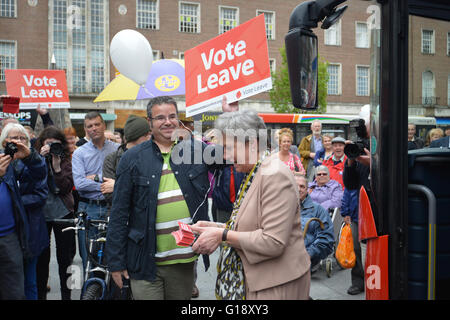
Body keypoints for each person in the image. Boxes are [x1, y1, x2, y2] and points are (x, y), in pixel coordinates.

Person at [105, 96, 224, 300]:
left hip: (184, 261)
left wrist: (229, 115)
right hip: (144, 262)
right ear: (149, 123)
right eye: (160, 117)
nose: (167, 121)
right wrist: (115, 262)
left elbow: (232, 157)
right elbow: (118, 213)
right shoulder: (131, 158)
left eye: (172, 116)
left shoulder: (196, 150)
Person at [191, 110, 311, 300]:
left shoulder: (274, 174)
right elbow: (251, 227)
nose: (225, 156)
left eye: (229, 148)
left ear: (253, 144)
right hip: (262, 280)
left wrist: (222, 235)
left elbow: (273, 241)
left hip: (274, 284)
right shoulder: (256, 171)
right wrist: (214, 227)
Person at [0, 123, 49, 300]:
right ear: (4, 141)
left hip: (25, 230)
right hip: (9, 230)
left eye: (22, 139)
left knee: (24, 284)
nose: (18, 142)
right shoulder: (2, 160)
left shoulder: (31, 161)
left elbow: (40, 183)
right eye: (13, 138)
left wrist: (30, 158)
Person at [71, 111, 119, 272]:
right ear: (85, 129)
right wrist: (108, 183)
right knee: (88, 260)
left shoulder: (117, 150)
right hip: (88, 208)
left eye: (97, 124)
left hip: (112, 206)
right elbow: (79, 184)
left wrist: (95, 178)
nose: (94, 128)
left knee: (113, 256)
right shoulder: (79, 153)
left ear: (104, 125)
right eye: (89, 126)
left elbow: (124, 179)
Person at [33, 126, 76, 300]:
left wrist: (57, 167)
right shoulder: (34, 159)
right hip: (41, 213)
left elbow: (65, 188)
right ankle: (41, 295)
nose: (52, 148)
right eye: (49, 144)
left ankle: (67, 295)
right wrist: (39, 160)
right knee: (42, 259)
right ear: (42, 144)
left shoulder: (66, 160)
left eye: (55, 145)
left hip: (63, 212)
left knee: (66, 258)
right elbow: (32, 183)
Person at [342, 105, 371, 296]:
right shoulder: (356, 147)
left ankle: (373, 279)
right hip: (357, 206)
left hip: (374, 204)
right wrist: (351, 161)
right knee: (356, 246)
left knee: (372, 246)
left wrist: (373, 163)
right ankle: (358, 281)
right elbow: (349, 184)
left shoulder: (379, 145)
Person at [102, 114, 151, 209]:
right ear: (140, 136)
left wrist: (117, 186)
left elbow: (152, 192)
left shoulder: (151, 157)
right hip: (120, 216)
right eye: (148, 134)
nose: (150, 137)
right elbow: (109, 196)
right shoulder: (112, 159)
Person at [294, 173, 334, 270]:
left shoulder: (319, 210)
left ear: (307, 190)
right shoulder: (280, 207)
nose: (299, 189)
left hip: (304, 262)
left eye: (302, 186)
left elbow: (326, 240)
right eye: (295, 185)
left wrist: (309, 254)